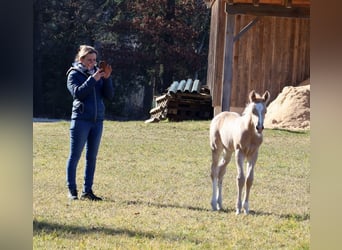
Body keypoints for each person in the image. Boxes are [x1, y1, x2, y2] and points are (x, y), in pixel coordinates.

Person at [65, 45, 114, 201]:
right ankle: (72, 190)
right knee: (75, 156)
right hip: (81, 120)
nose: (93, 63)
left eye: (94, 60)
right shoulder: (73, 74)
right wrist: (93, 80)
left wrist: (107, 79)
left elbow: (109, 95)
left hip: (97, 121)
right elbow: (78, 93)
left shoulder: (98, 74)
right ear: (81, 59)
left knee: (91, 157)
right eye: (89, 60)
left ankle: (88, 191)